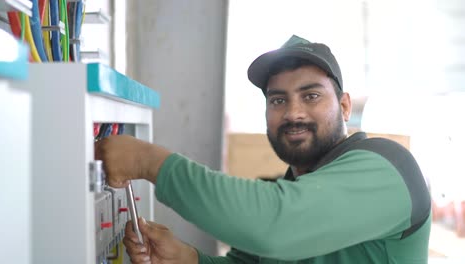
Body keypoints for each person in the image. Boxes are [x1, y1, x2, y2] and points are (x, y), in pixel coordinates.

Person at [95, 35, 431, 263]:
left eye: (311, 95)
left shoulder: (387, 167)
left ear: (344, 107)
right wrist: (188, 258)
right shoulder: (296, 186)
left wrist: (149, 161)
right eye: (278, 100)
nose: (293, 112)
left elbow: (277, 224)